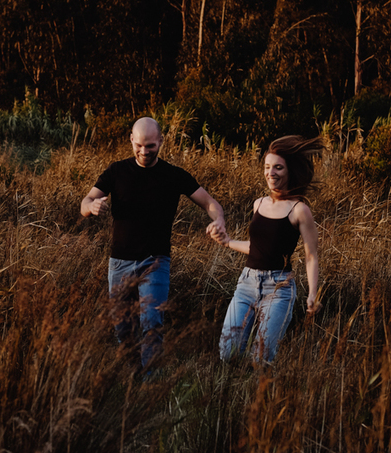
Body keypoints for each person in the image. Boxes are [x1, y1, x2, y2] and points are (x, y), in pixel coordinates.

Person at [81, 117, 226, 368]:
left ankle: (149, 381)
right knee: (123, 327)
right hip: (120, 262)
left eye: (150, 145)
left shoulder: (174, 175)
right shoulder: (116, 171)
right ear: (131, 140)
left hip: (156, 262)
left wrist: (219, 221)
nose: (144, 151)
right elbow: (85, 202)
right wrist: (91, 206)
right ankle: (129, 376)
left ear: (161, 141)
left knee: (152, 324)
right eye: (139, 145)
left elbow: (211, 204)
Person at [211, 135, 323, 364]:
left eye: (278, 168)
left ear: (290, 170)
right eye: (267, 167)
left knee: (261, 360)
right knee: (227, 354)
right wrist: (227, 241)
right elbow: (258, 248)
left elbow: (311, 256)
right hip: (246, 284)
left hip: (279, 289)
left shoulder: (300, 210)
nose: (271, 173)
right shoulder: (259, 204)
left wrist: (313, 293)